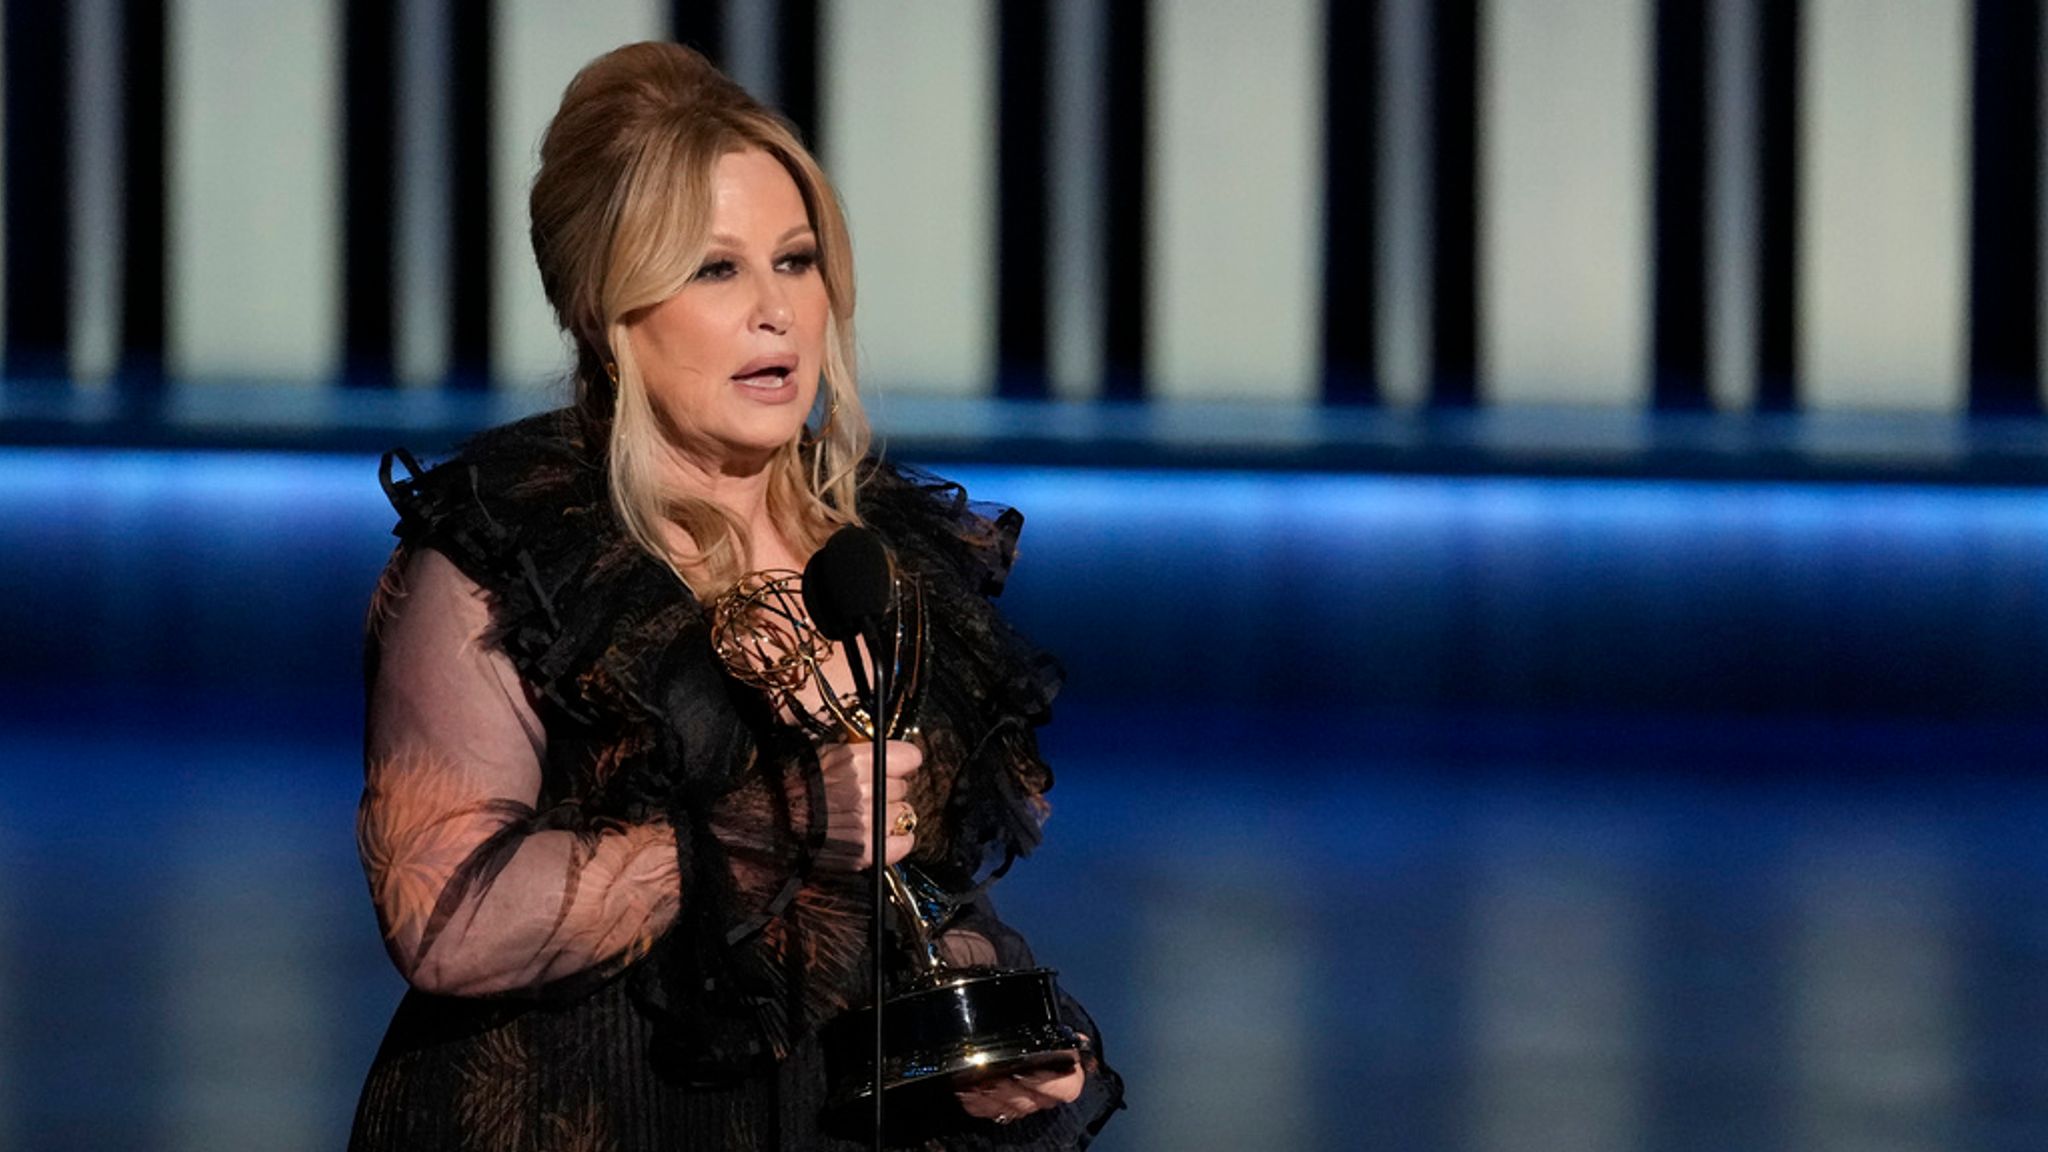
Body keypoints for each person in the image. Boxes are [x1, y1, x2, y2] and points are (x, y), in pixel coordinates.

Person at [348, 41, 1122, 1151]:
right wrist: (782, 824)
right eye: (715, 270)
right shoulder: (512, 553)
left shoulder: (875, 551)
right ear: (610, 306)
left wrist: (985, 1030)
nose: (776, 313)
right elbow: (446, 925)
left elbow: (911, 887)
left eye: (796, 260)